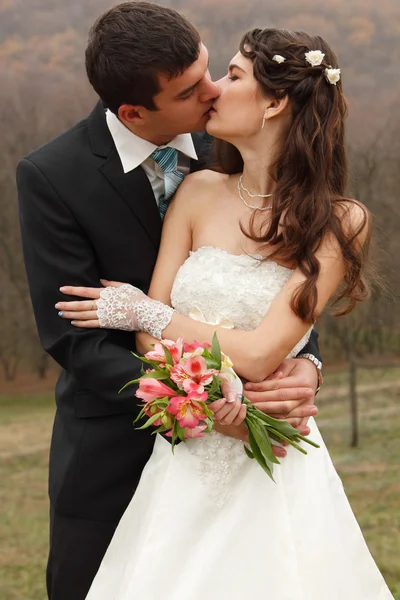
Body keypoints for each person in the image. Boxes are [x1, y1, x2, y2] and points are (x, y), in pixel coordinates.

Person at [58, 27, 395, 600]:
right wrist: (208, 395)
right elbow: (144, 342)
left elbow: (264, 352)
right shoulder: (197, 191)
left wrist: (147, 311)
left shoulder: (342, 221)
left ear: (275, 102)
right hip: (184, 460)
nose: (215, 90)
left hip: (274, 456)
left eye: (233, 76)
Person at [16, 4, 322, 599]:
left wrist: (304, 362)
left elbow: (287, 271)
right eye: (190, 90)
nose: (213, 94)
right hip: (113, 451)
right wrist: (199, 407)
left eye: (211, 70)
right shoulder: (53, 175)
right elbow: (74, 339)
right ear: (133, 112)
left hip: (249, 449)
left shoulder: (234, 138)